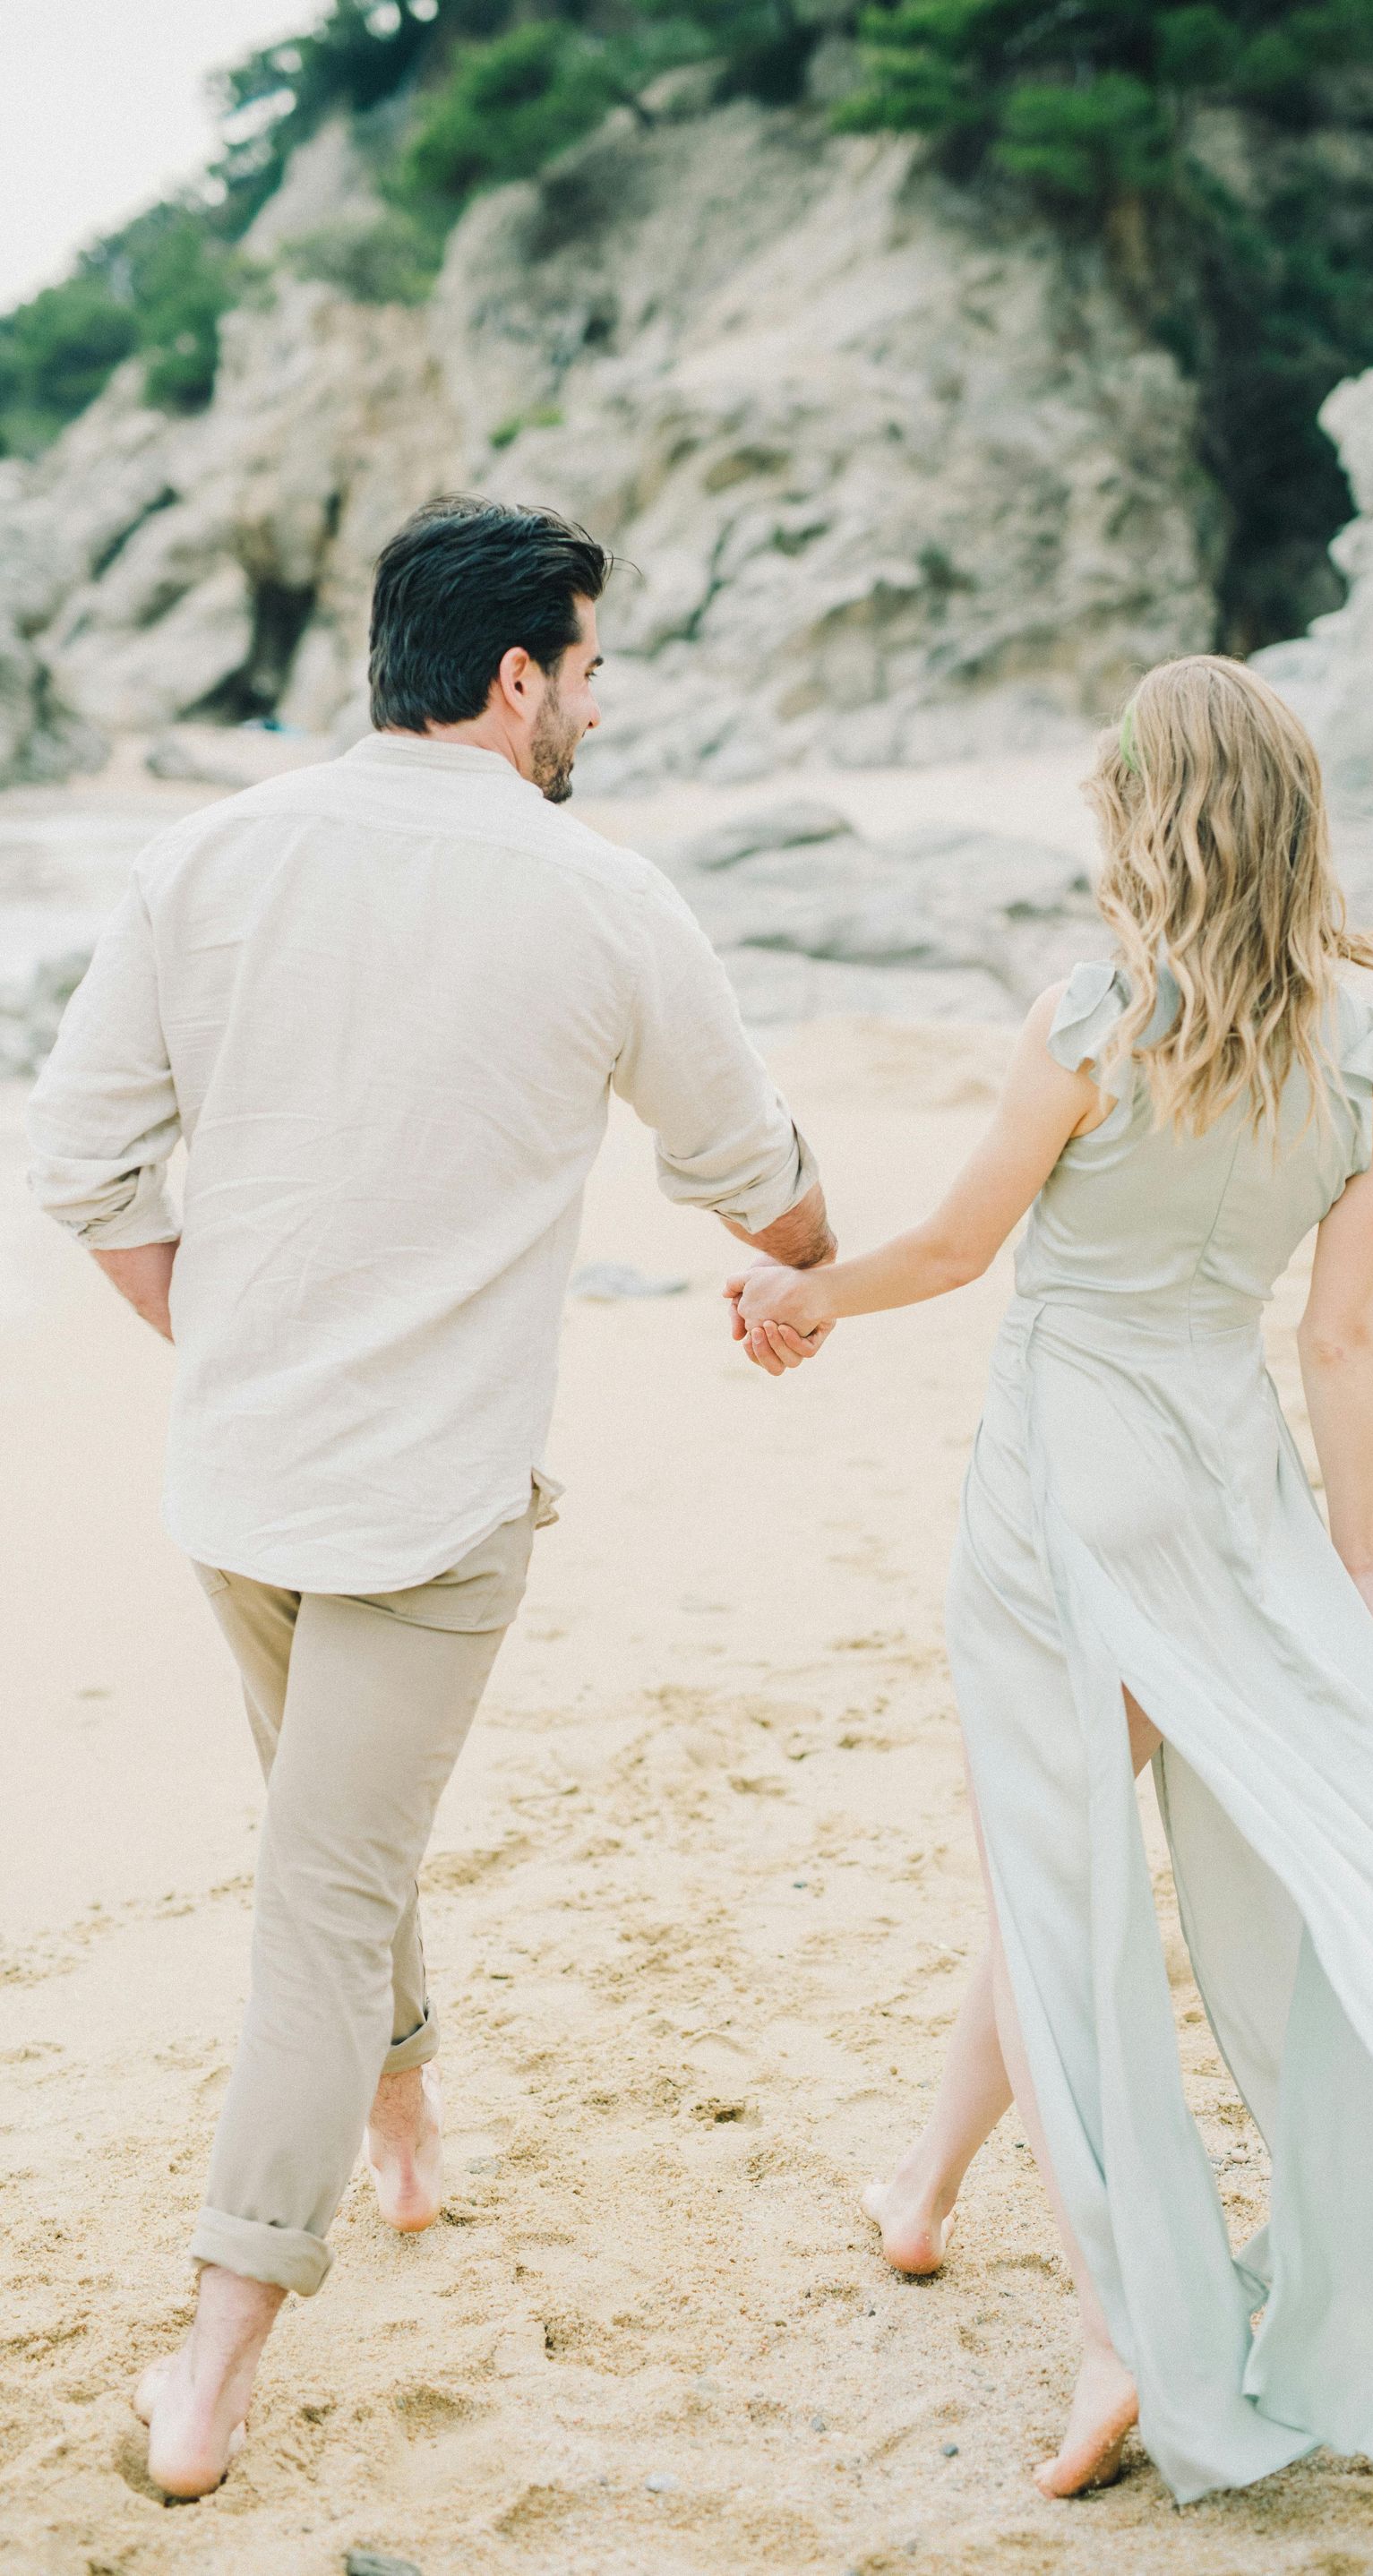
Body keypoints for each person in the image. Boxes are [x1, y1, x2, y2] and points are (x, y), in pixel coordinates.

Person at [729, 656, 1373, 2510]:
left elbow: (966, 1244)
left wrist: (805, 1292)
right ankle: (920, 2191)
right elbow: (1346, 1335)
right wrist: (1365, 1555)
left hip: (1069, 1488)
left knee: (1060, 1890)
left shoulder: (1095, 1018)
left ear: (1144, 822)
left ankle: (1121, 2334)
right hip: (1227, 1489)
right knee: (1060, 1874)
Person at [27, 494, 834, 2499]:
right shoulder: (607, 899)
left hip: (233, 1475)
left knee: (327, 1826)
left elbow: (82, 1163)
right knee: (325, 1882)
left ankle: (400, 2130)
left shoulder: (207, 859)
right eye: (584, 669)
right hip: (429, 1510)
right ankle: (215, 2363)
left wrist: (219, 1333)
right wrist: (794, 1261)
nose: (590, 705)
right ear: (513, 677)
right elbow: (766, 1180)